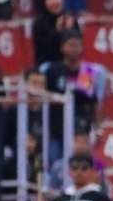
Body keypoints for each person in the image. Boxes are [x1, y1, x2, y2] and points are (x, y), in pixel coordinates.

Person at [44, 29, 107, 172]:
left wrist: (97, 129)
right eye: (70, 45)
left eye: (77, 45)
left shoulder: (87, 71)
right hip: (57, 132)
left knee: (81, 169)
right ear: (62, 47)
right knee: (56, 169)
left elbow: (94, 103)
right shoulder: (53, 70)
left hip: (81, 133)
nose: (73, 49)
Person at [32, 0, 79, 67]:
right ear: (44, 2)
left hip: (70, 63)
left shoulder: (69, 18)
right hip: (48, 63)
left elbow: (78, 45)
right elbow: (44, 50)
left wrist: (70, 30)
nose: (54, 2)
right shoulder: (39, 23)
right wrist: (57, 32)